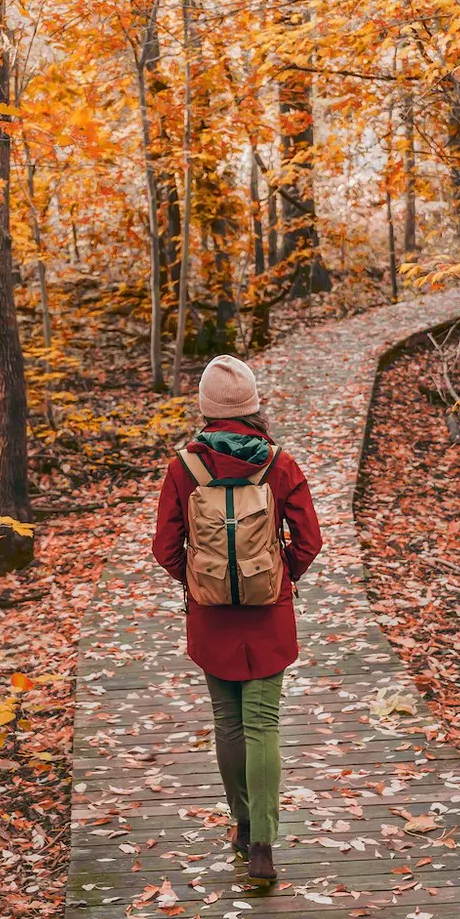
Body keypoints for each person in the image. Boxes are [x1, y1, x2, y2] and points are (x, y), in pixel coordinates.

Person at [152, 354, 323, 883]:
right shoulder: (280, 464)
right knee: (262, 722)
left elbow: (164, 547)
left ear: (204, 408)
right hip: (269, 613)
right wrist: (278, 576)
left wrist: (198, 582)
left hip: (210, 617)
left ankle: (243, 825)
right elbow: (310, 541)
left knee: (228, 721)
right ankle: (265, 848)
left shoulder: (184, 467)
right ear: (253, 405)